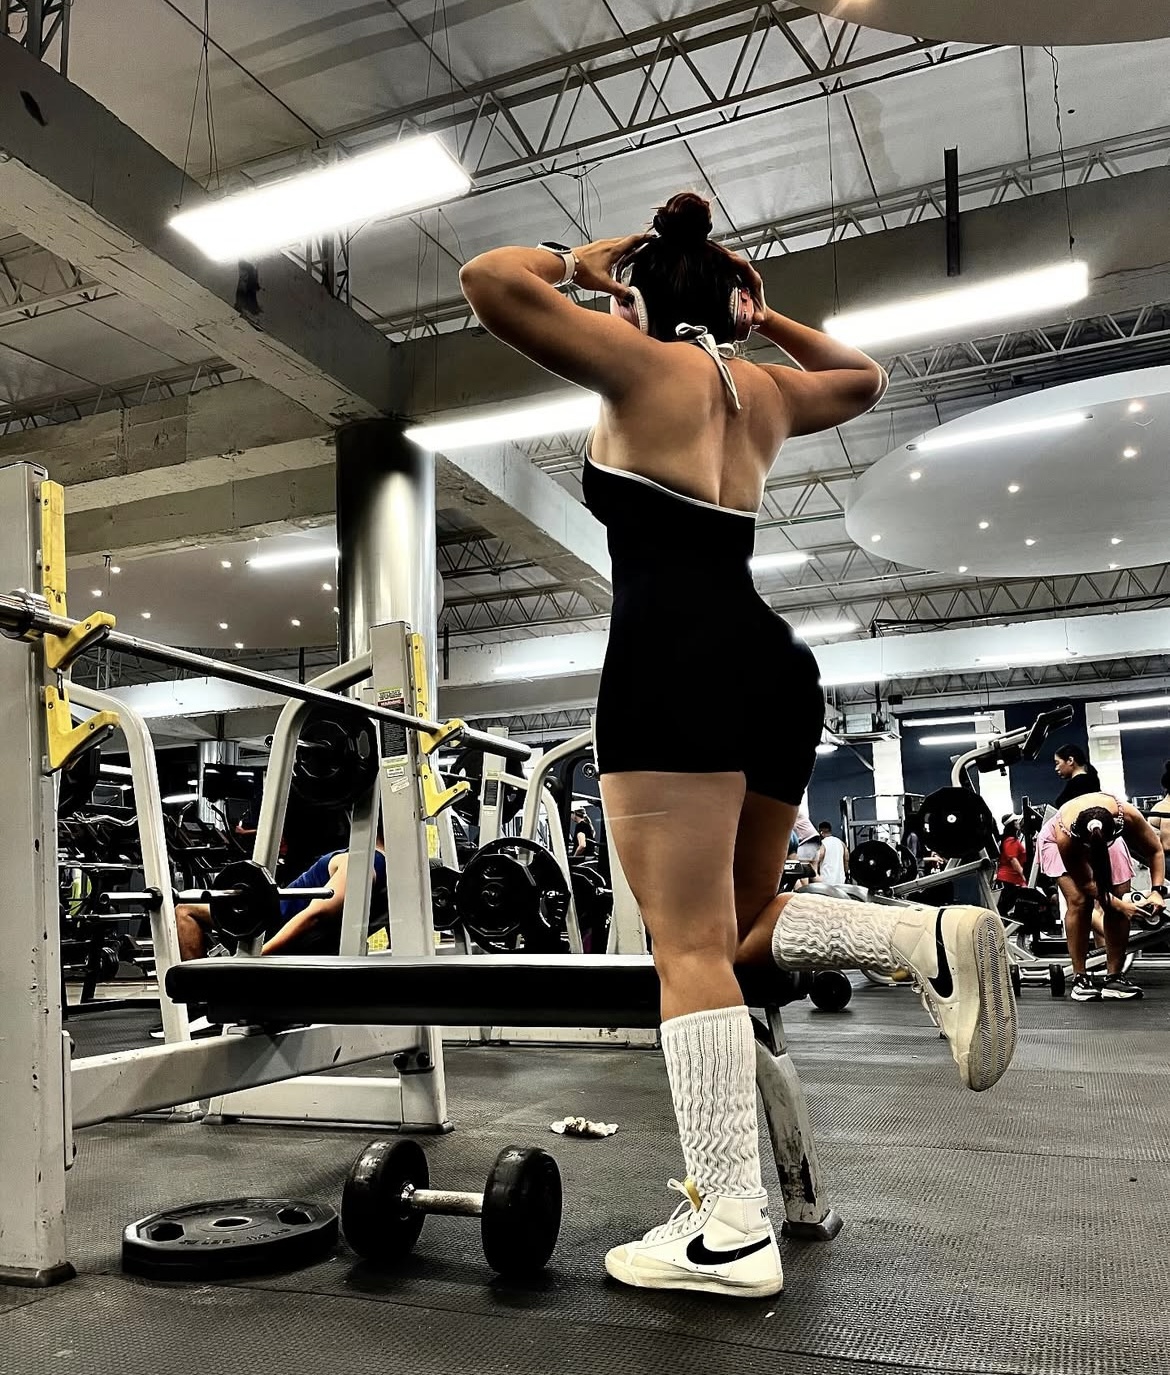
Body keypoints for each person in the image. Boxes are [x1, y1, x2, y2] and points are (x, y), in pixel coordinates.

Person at [459, 191, 1016, 1300]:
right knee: (743, 925)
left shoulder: (635, 364)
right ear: (732, 306)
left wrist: (583, 261)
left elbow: (488, 281)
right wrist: (764, 319)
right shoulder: (759, 390)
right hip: (771, 662)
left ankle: (728, 1229)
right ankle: (919, 938)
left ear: (639, 300)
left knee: (689, 948)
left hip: (671, 654)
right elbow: (864, 377)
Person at [1035, 792, 1165, 1001]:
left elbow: (1155, 851)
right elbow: (1087, 885)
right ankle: (1080, 978)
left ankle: (1115, 978)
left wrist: (1157, 891)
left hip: (1106, 839)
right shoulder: (1066, 836)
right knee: (1080, 901)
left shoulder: (1127, 815)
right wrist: (1120, 906)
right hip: (1058, 840)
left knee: (1121, 897)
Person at [174, 835, 387, 961]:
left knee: (184, 907)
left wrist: (252, 959)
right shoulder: (396, 876)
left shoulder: (361, 863)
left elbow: (315, 916)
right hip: (276, 916)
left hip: (271, 921)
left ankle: (200, 996)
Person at [996, 816, 1028, 888]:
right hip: (1009, 879)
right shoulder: (1010, 841)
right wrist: (1023, 876)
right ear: (1012, 824)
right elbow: (1013, 860)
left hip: (1012, 879)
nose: (1018, 822)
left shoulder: (1011, 840)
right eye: (1016, 821)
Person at [817, 821, 848, 887]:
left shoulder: (823, 843)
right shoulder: (841, 843)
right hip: (840, 880)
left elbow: (818, 858)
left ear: (821, 832)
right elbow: (846, 859)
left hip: (826, 881)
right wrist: (845, 873)